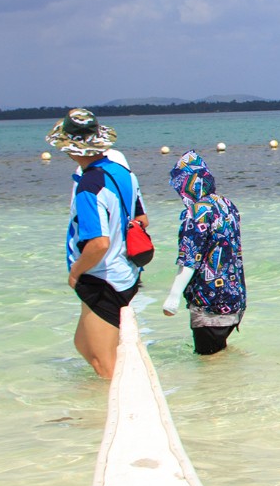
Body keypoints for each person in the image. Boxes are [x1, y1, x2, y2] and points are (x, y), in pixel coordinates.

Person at [47, 108, 147, 380]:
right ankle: (90, 407)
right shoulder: (123, 173)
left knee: (104, 364)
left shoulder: (88, 187)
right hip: (125, 272)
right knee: (83, 344)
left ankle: (112, 415)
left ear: (73, 148)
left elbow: (99, 244)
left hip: (103, 281)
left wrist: (75, 271)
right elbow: (142, 220)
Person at [160, 151, 246, 355]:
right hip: (235, 298)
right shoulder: (227, 205)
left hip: (209, 302)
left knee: (208, 364)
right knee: (221, 354)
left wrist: (173, 297)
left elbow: (190, 258)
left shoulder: (196, 212)